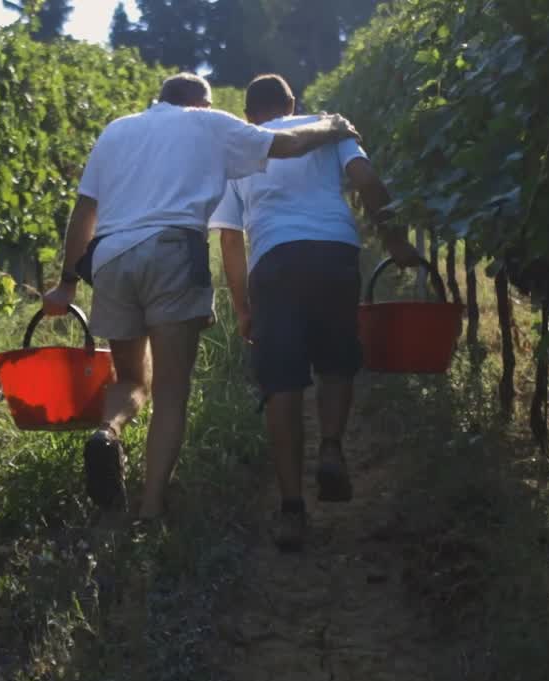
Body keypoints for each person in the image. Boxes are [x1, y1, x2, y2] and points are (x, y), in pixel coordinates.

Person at [42, 73, 363, 522]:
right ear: (199, 103)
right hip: (172, 251)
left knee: (130, 378)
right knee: (171, 390)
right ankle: (151, 509)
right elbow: (286, 145)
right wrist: (332, 126)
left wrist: (68, 282)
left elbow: (84, 211)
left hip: (111, 257)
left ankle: (107, 432)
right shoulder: (206, 122)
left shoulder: (116, 130)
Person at [209, 74, 421, 551]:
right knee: (335, 360)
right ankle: (330, 447)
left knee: (282, 383)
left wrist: (243, 308)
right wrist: (394, 241)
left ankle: (291, 509)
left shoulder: (240, 150)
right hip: (334, 250)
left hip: (275, 260)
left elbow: (230, 239)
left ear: (248, 115)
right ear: (292, 104)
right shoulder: (332, 128)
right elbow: (367, 181)